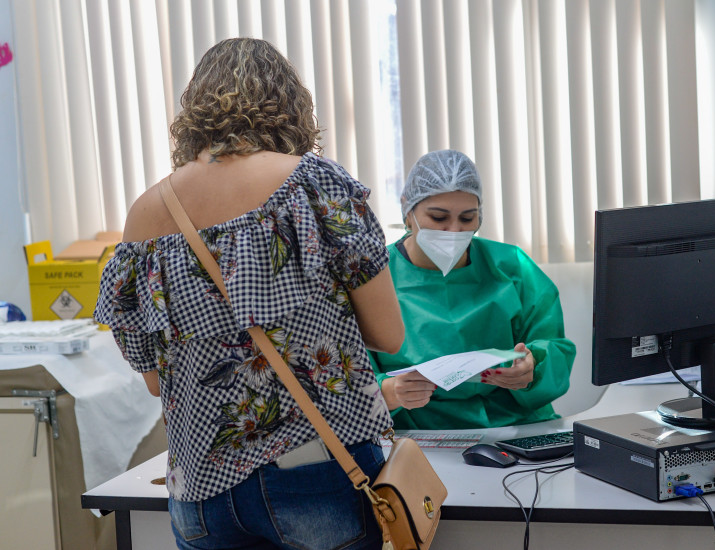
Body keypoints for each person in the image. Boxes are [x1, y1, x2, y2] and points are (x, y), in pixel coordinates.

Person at [94, 38, 404, 550]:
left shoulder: (146, 213)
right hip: (316, 469)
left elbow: (154, 380)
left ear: (192, 112)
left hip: (200, 492)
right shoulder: (313, 185)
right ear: (292, 106)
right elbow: (388, 336)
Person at [368, 149, 576, 429]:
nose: (454, 231)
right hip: (420, 436)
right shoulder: (372, 277)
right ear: (408, 211)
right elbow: (348, 375)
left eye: (467, 219)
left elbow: (553, 347)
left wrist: (532, 368)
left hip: (516, 428)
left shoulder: (511, 267)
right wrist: (390, 392)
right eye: (439, 218)